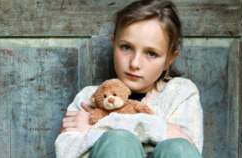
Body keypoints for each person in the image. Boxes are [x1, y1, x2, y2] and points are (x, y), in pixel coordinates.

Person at [55, 0, 203, 157]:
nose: (135, 63)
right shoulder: (89, 98)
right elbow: (67, 152)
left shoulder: (181, 93)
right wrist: (161, 129)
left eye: (151, 53)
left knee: (178, 147)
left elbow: (187, 146)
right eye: (126, 47)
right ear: (114, 43)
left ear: (169, 59)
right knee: (119, 141)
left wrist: (99, 123)